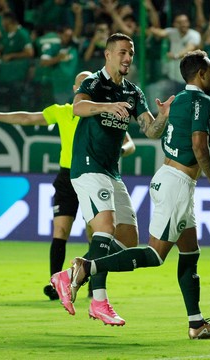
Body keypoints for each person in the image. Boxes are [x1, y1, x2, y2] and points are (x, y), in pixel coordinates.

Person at [58, 50, 210, 340]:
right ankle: (86, 267)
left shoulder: (182, 100)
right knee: (155, 255)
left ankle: (196, 323)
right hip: (177, 184)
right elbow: (202, 144)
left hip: (173, 182)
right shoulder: (201, 101)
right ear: (201, 74)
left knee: (190, 253)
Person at [0, 71, 136, 301]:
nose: (86, 89)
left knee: (97, 233)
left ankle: (90, 281)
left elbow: (129, 144)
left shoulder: (104, 112)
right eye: (81, 86)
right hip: (67, 177)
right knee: (60, 231)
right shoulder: (63, 111)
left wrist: (121, 150)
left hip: (95, 174)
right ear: (75, 89)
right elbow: (27, 118)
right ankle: (56, 283)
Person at [49, 32, 174, 327]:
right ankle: (99, 301)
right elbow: (78, 108)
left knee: (128, 241)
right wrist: (105, 107)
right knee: (104, 230)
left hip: (111, 171)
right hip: (87, 166)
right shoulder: (93, 83)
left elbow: (150, 131)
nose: (128, 57)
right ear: (107, 55)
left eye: (130, 52)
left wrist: (163, 117)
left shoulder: (133, 92)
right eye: (122, 52)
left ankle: (72, 273)